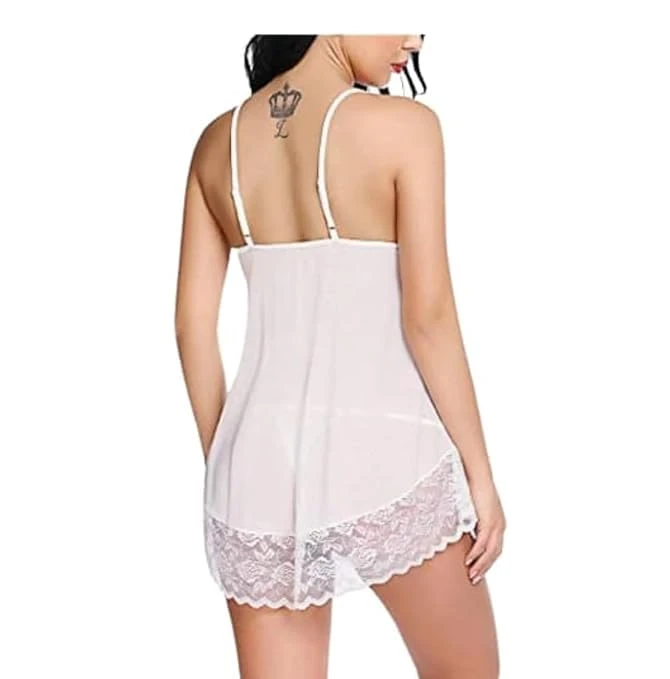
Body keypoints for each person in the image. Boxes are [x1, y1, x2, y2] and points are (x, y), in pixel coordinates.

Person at [175, 34, 505, 679]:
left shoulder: (216, 143)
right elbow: (428, 317)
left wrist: (232, 467)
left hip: (258, 465)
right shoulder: (406, 129)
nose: (413, 39)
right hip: (388, 457)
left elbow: (191, 326)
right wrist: (480, 476)